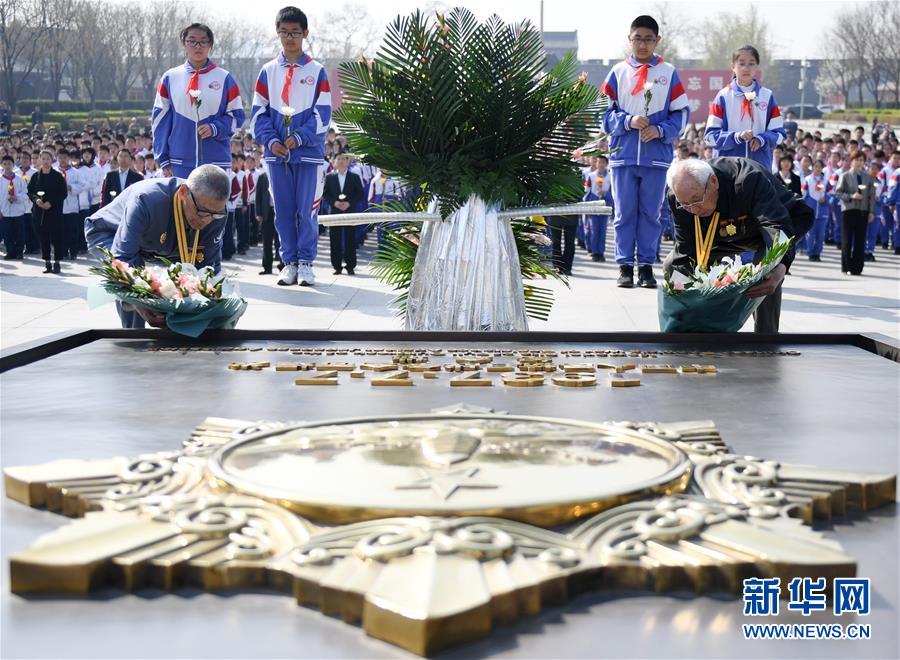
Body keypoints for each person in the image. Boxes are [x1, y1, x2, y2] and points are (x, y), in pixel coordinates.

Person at [664, 157, 813, 333]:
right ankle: (692, 333)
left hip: (772, 224)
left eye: (696, 200)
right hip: (723, 233)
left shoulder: (748, 179)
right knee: (673, 266)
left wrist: (781, 265)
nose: (693, 209)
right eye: (685, 204)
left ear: (713, 182)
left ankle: (766, 339)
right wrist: (682, 290)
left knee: (766, 272)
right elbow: (686, 248)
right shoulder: (679, 197)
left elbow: (775, 228)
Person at [600, 14, 690, 288]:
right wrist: (628, 121)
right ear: (629, 39)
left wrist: (659, 130)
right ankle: (625, 266)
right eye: (637, 38)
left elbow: (682, 114)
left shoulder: (668, 73)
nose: (642, 44)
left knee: (652, 214)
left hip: (656, 159)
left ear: (657, 41)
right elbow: (602, 115)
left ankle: (647, 267)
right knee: (624, 213)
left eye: (648, 39)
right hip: (622, 156)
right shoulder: (617, 72)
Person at [85, 165, 229, 328]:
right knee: (138, 285)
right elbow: (123, 259)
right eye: (202, 212)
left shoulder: (217, 214)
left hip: (162, 245)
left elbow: (209, 268)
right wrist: (140, 303)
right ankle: (135, 337)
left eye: (215, 214)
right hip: (109, 233)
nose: (207, 221)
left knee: (189, 290)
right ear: (183, 193)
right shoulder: (146, 199)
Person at [250, 6, 331, 286]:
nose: (289, 38)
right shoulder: (268, 71)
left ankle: (307, 262)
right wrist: (271, 141)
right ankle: (289, 262)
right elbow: (258, 113)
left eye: (295, 32)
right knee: (282, 211)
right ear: (278, 33)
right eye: (284, 32)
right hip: (276, 155)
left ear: (305, 33)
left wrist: (298, 138)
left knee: (306, 210)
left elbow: (323, 114)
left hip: (307, 154)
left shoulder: (317, 71)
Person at [151, 23, 245, 179]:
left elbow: (238, 117)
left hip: (216, 163)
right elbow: (159, 121)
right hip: (178, 162)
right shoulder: (170, 78)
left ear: (210, 45)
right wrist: (163, 158)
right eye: (192, 41)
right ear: (184, 43)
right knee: (181, 204)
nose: (197, 46)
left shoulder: (224, 78)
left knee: (212, 204)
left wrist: (215, 128)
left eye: (203, 41)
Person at [704, 45, 785, 172]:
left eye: (751, 63)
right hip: (727, 169)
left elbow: (779, 134)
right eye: (741, 63)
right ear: (733, 67)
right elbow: (710, 137)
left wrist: (762, 139)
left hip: (759, 168)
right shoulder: (723, 96)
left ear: (757, 67)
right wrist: (737, 137)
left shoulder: (767, 96)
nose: (746, 68)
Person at [834, 150, 877, 276]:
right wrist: (851, 196)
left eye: (861, 160)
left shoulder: (867, 177)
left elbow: (872, 196)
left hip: (863, 211)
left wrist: (871, 212)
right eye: (856, 159)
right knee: (847, 240)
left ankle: (858, 267)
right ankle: (846, 266)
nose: (859, 162)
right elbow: (838, 193)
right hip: (848, 210)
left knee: (860, 240)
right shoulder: (845, 175)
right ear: (851, 161)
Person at [322, 152, 363, 275]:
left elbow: (359, 193)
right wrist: (334, 203)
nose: (341, 161)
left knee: (350, 238)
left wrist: (349, 203)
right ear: (334, 161)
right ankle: (337, 266)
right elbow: (325, 193)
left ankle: (350, 266)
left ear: (348, 161)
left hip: (349, 211)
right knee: (335, 239)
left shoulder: (354, 177)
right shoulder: (330, 177)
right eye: (338, 159)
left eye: (344, 159)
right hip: (334, 211)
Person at [27, 149, 67, 273]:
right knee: (44, 238)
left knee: (57, 238)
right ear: (40, 159)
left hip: (54, 211)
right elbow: (30, 191)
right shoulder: (35, 176)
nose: (45, 161)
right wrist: (36, 200)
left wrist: (51, 202)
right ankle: (47, 263)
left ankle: (57, 263)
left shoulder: (57, 176)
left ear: (52, 160)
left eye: (48, 159)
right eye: (43, 158)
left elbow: (63, 193)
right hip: (40, 212)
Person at [56, 148, 88, 260]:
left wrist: (71, 187)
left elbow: (82, 185)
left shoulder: (75, 172)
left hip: (72, 206)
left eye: (65, 157)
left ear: (69, 159)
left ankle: (73, 252)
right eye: (60, 157)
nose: (63, 160)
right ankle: (63, 251)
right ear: (57, 158)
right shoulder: (54, 172)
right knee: (61, 231)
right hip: (58, 206)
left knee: (72, 230)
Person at [801, 159, 830, 262]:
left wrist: (825, 198)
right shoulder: (808, 179)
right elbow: (803, 194)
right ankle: (810, 253)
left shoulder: (826, 180)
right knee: (810, 234)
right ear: (812, 167)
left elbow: (832, 194)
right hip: (811, 210)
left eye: (820, 166)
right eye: (816, 166)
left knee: (821, 234)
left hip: (823, 211)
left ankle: (817, 253)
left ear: (822, 168)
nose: (818, 168)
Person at [1, 154, 28, 259]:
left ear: (13, 165)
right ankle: (10, 251)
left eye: (9, 164)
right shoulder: (0, 180)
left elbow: (26, 193)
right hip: (5, 211)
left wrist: (17, 197)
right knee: (7, 233)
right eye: (5, 164)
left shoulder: (19, 179)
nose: (7, 166)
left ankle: (19, 251)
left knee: (19, 232)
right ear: (2, 165)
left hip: (18, 210)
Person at [255, 167, 282, 275]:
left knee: (280, 240)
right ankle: (267, 267)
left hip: (280, 212)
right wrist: (258, 213)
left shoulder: (281, 175)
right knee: (266, 241)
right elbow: (258, 196)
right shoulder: (263, 177)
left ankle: (283, 265)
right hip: (267, 212)